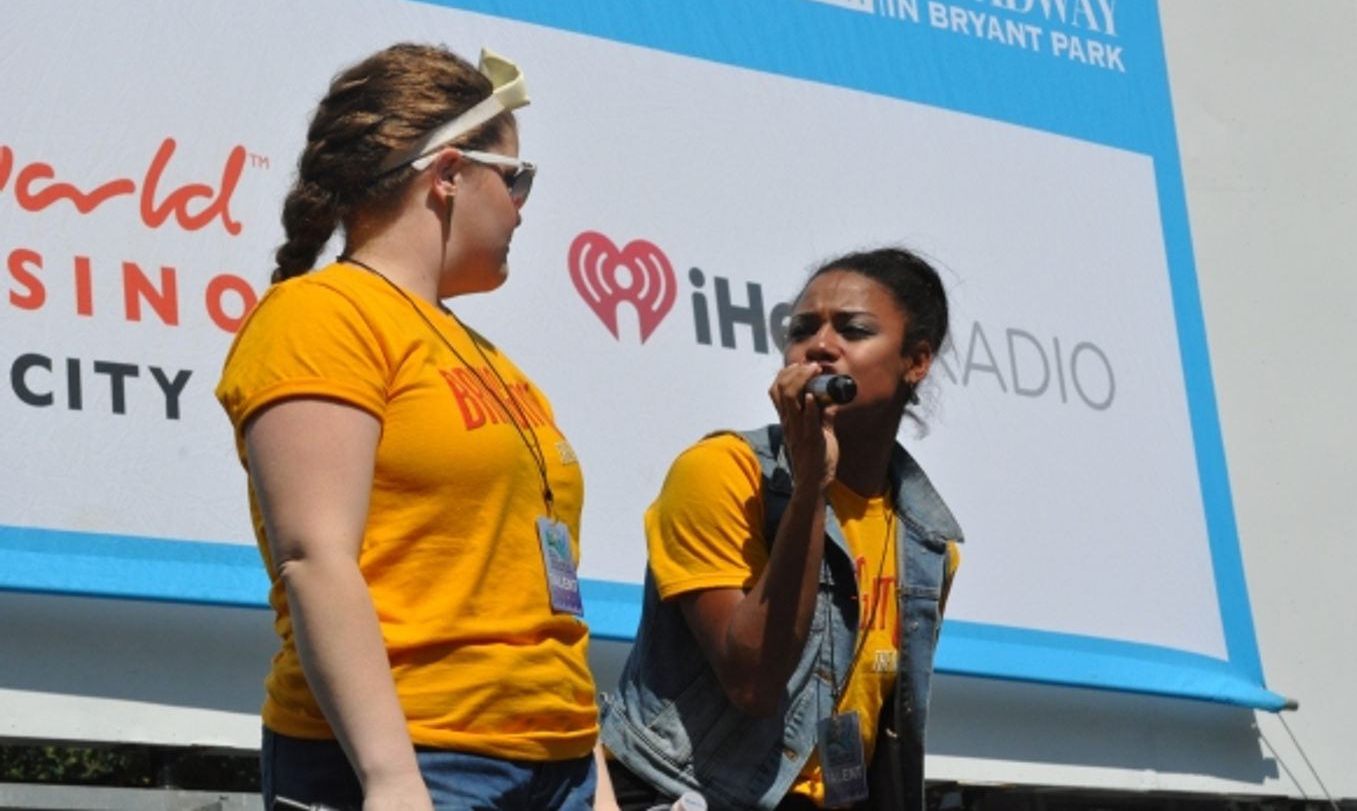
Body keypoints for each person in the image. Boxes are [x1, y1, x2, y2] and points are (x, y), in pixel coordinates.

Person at [216, 43, 597, 811]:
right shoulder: (320, 315)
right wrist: (392, 780)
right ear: (449, 174)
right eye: (515, 177)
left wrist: (598, 784)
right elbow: (314, 555)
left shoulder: (493, 361)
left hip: (554, 764)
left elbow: (548, 606)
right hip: (417, 761)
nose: (523, 203)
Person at [599, 247, 964, 811]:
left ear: (916, 362)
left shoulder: (925, 541)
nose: (818, 345)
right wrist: (811, 486)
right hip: (681, 796)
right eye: (802, 329)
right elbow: (754, 682)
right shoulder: (724, 471)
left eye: (854, 329)